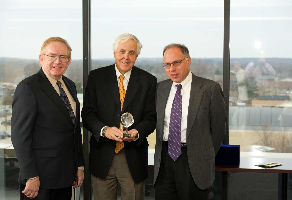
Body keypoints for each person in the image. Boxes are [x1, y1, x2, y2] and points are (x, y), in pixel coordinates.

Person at [81, 33, 157, 200]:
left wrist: (137, 132)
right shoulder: (96, 78)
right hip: (102, 155)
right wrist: (104, 130)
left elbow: (151, 118)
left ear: (137, 56)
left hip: (133, 158)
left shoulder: (148, 81)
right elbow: (87, 114)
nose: (126, 57)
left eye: (131, 52)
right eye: (122, 51)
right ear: (114, 53)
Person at [11, 37, 85, 200]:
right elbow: (20, 137)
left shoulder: (69, 85)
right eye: (52, 56)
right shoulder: (28, 87)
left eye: (63, 57)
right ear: (41, 58)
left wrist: (78, 165)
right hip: (40, 180)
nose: (57, 61)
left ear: (69, 61)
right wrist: (30, 175)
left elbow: (73, 130)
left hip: (65, 177)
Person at [154, 43, 226, 200]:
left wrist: (202, 152)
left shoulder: (209, 89)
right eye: (167, 65)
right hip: (164, 161)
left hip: (194, 162)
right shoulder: (160, 89)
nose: (172, 69)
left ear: (188, 60)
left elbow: (218, 130)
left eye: (176, 63)